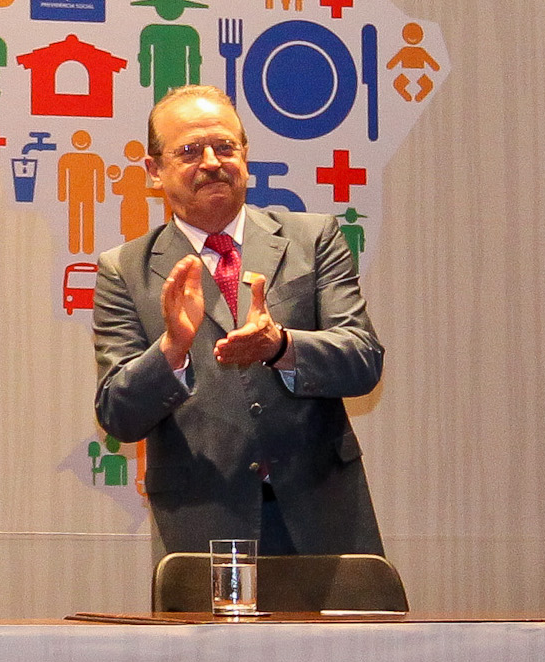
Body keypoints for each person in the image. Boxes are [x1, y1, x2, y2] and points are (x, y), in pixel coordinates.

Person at [91, 85, 384, 562]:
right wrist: (171, 350)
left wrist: (282, 346)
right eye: (188, 151)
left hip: (326, 519)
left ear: (245, 156)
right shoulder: (125, 270)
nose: (211, 161)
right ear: (154, 170)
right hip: (204, 526)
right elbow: (118, 415)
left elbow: (362, 360)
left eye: (225, 147)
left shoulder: (313, 239)